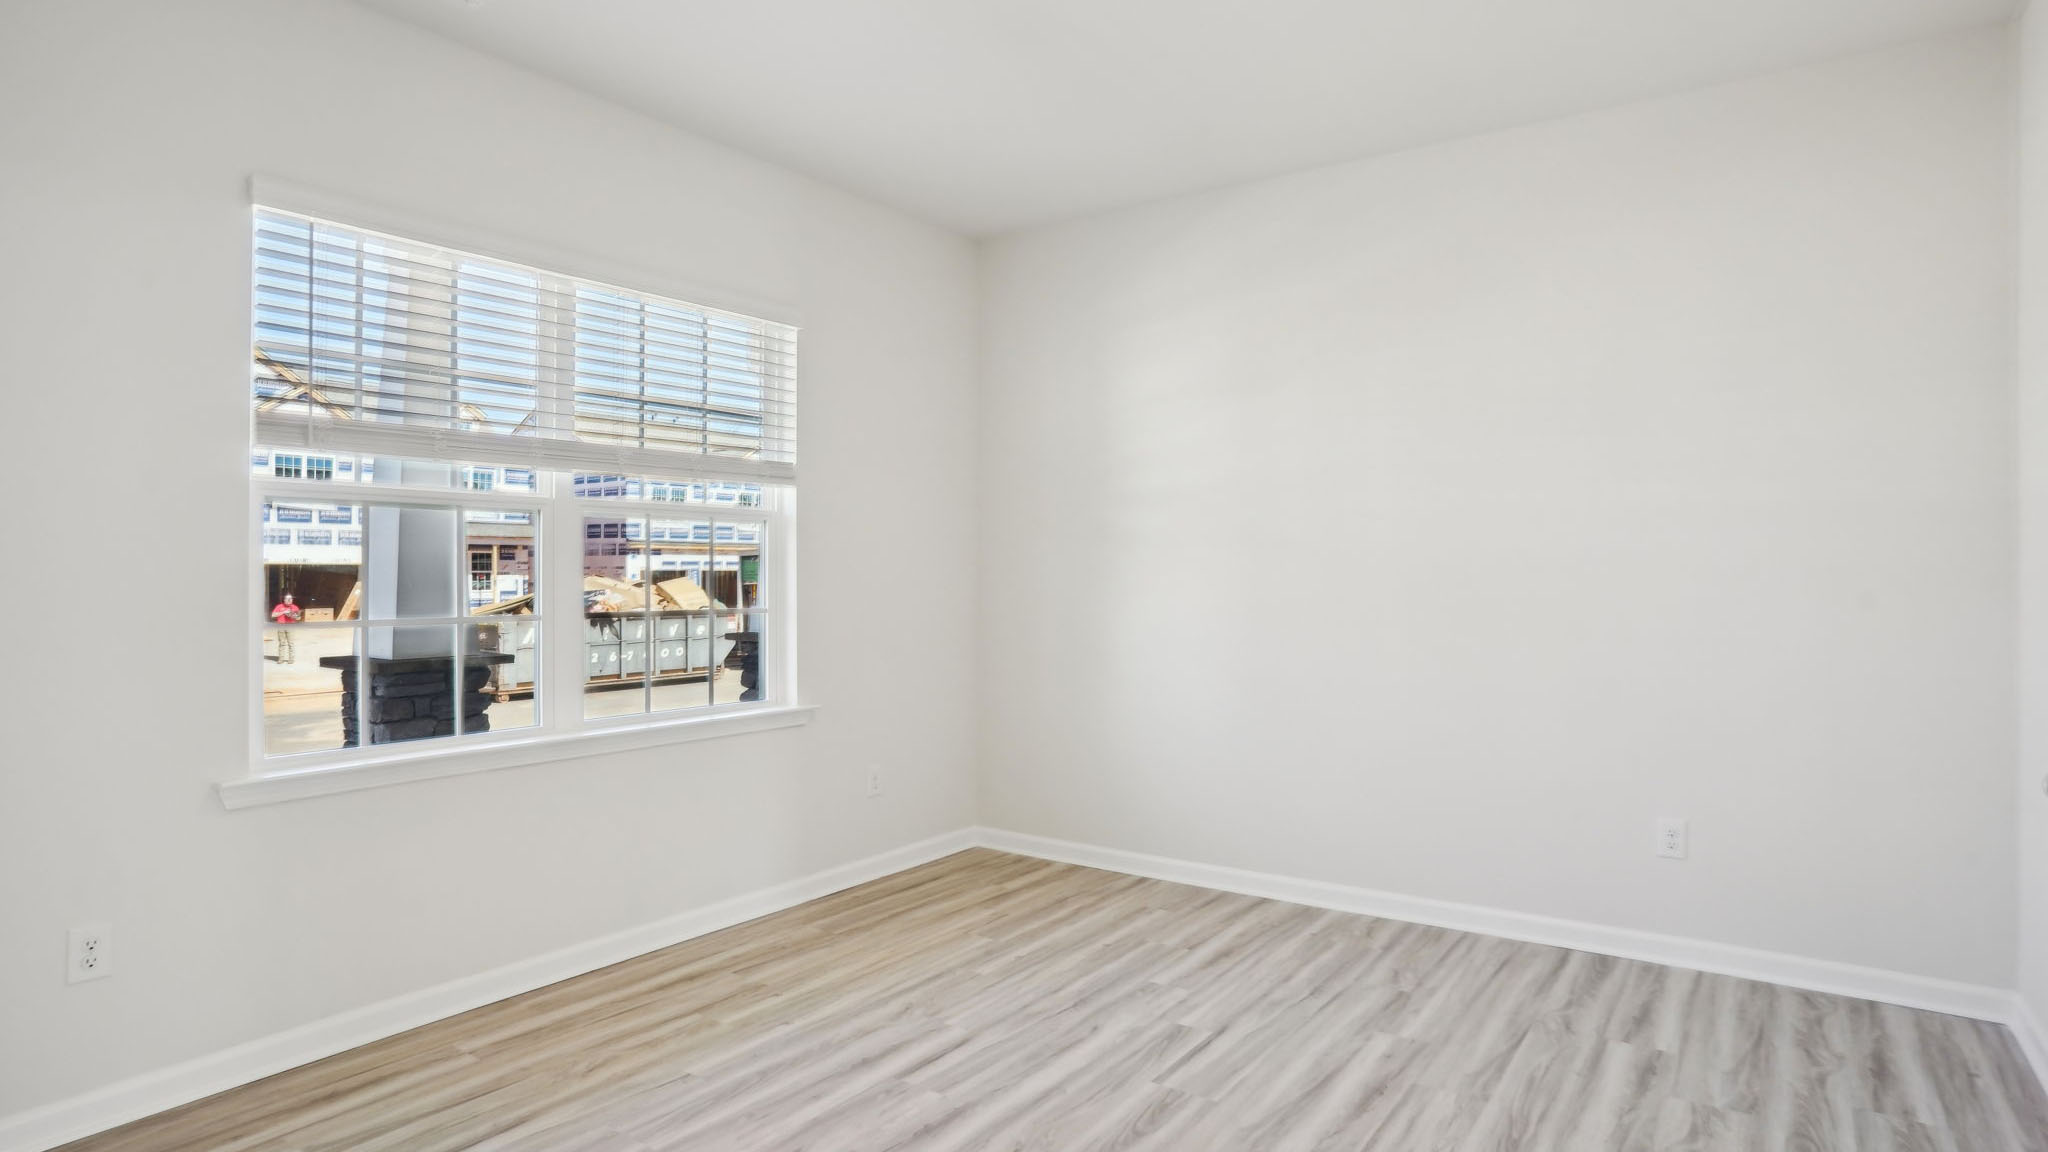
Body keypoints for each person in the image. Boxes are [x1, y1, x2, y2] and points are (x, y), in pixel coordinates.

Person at [271, 592, 303, 663]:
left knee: (290, 643)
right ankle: (281, 659)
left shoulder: (295, 607)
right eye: (288, 599)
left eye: (291, 598)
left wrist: (295, 617)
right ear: (284, 599)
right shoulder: (279, 606)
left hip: (290, 626)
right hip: (281, 626)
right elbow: (273, 615)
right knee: (282, 643)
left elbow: (299, 618)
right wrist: (283, 612)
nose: (289, 600)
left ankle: (291, 659)